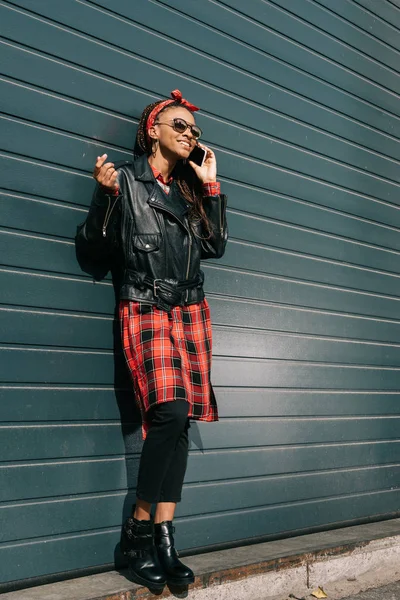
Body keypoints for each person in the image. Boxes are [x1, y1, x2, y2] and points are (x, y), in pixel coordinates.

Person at [75, 90, 228, 590]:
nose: (190, 135)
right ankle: (137, 533)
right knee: (171, 413)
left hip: (190, 311)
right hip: (146, 306)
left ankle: (164, 536)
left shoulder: (188, 191)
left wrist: (210, 186)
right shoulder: (123, 179)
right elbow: (94, 248)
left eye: (195, 131)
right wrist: (103, 195)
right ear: (153, 130)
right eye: (180, 126)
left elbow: (215, 246)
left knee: (182, 425)